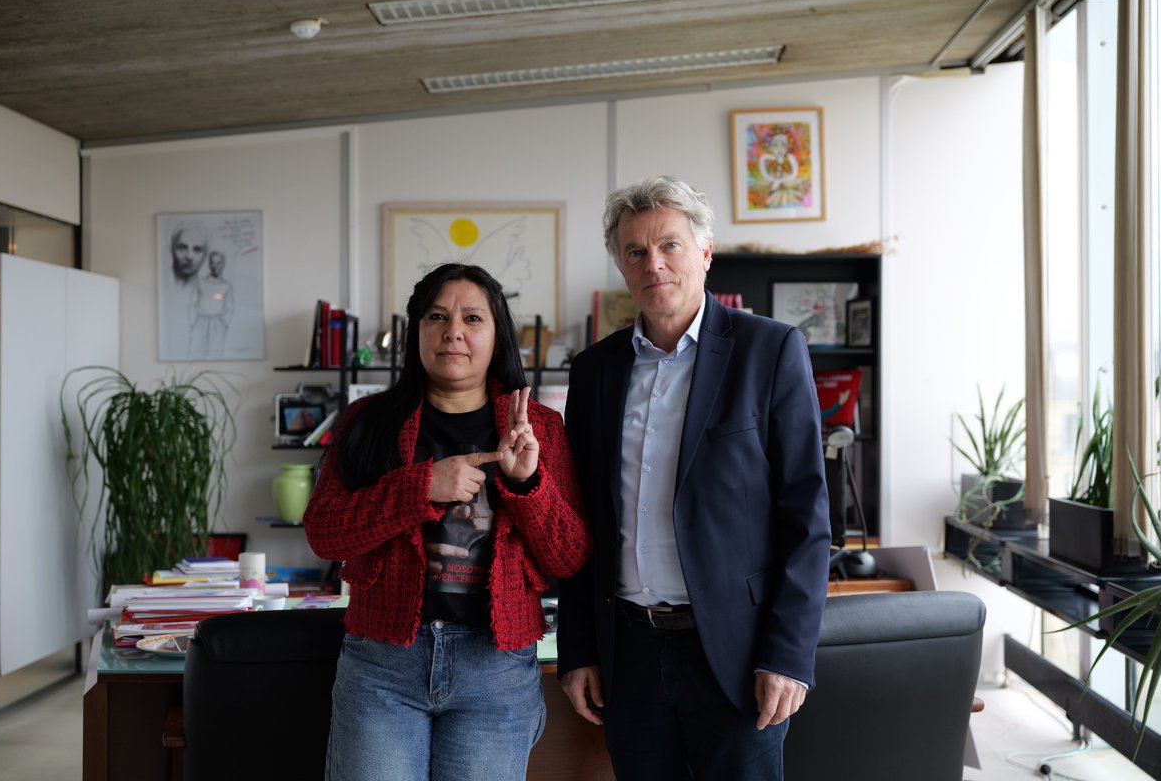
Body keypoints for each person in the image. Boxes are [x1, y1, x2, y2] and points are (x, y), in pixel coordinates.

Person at [557, 176, 831, 781]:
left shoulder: (772, 350)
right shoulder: (596, 371)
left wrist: (789, 656)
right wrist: (577, 649)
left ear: (705, 252)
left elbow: (806, 517)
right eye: (635, 251)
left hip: (736, 655)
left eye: (670, 245)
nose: (653, 264)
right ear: (622, 267)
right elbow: (581, 521)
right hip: (627, 652)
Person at [304, 263, 591, 781]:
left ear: (496, 333)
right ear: (417, 331)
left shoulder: (541, 427)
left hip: (496, 671)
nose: (453, 331)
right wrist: (421, 488)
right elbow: (324, 532)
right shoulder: (367, 421)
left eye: (472, 318)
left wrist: (527, 485)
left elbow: (568, 555)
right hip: (382, 666)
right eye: (437, 316)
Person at [188, 249, 234, 358]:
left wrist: (223, 326)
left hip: (217, 325)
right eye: (212, 263)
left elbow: (229, 308)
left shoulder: (226, 286)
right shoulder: (201, 283)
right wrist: (193, 323)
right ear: (209, 264)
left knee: (215, 354)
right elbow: (192, 304)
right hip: (200, 323)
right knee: (196, 354)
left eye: (218, 263)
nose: (215, 266)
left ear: (223, 265)